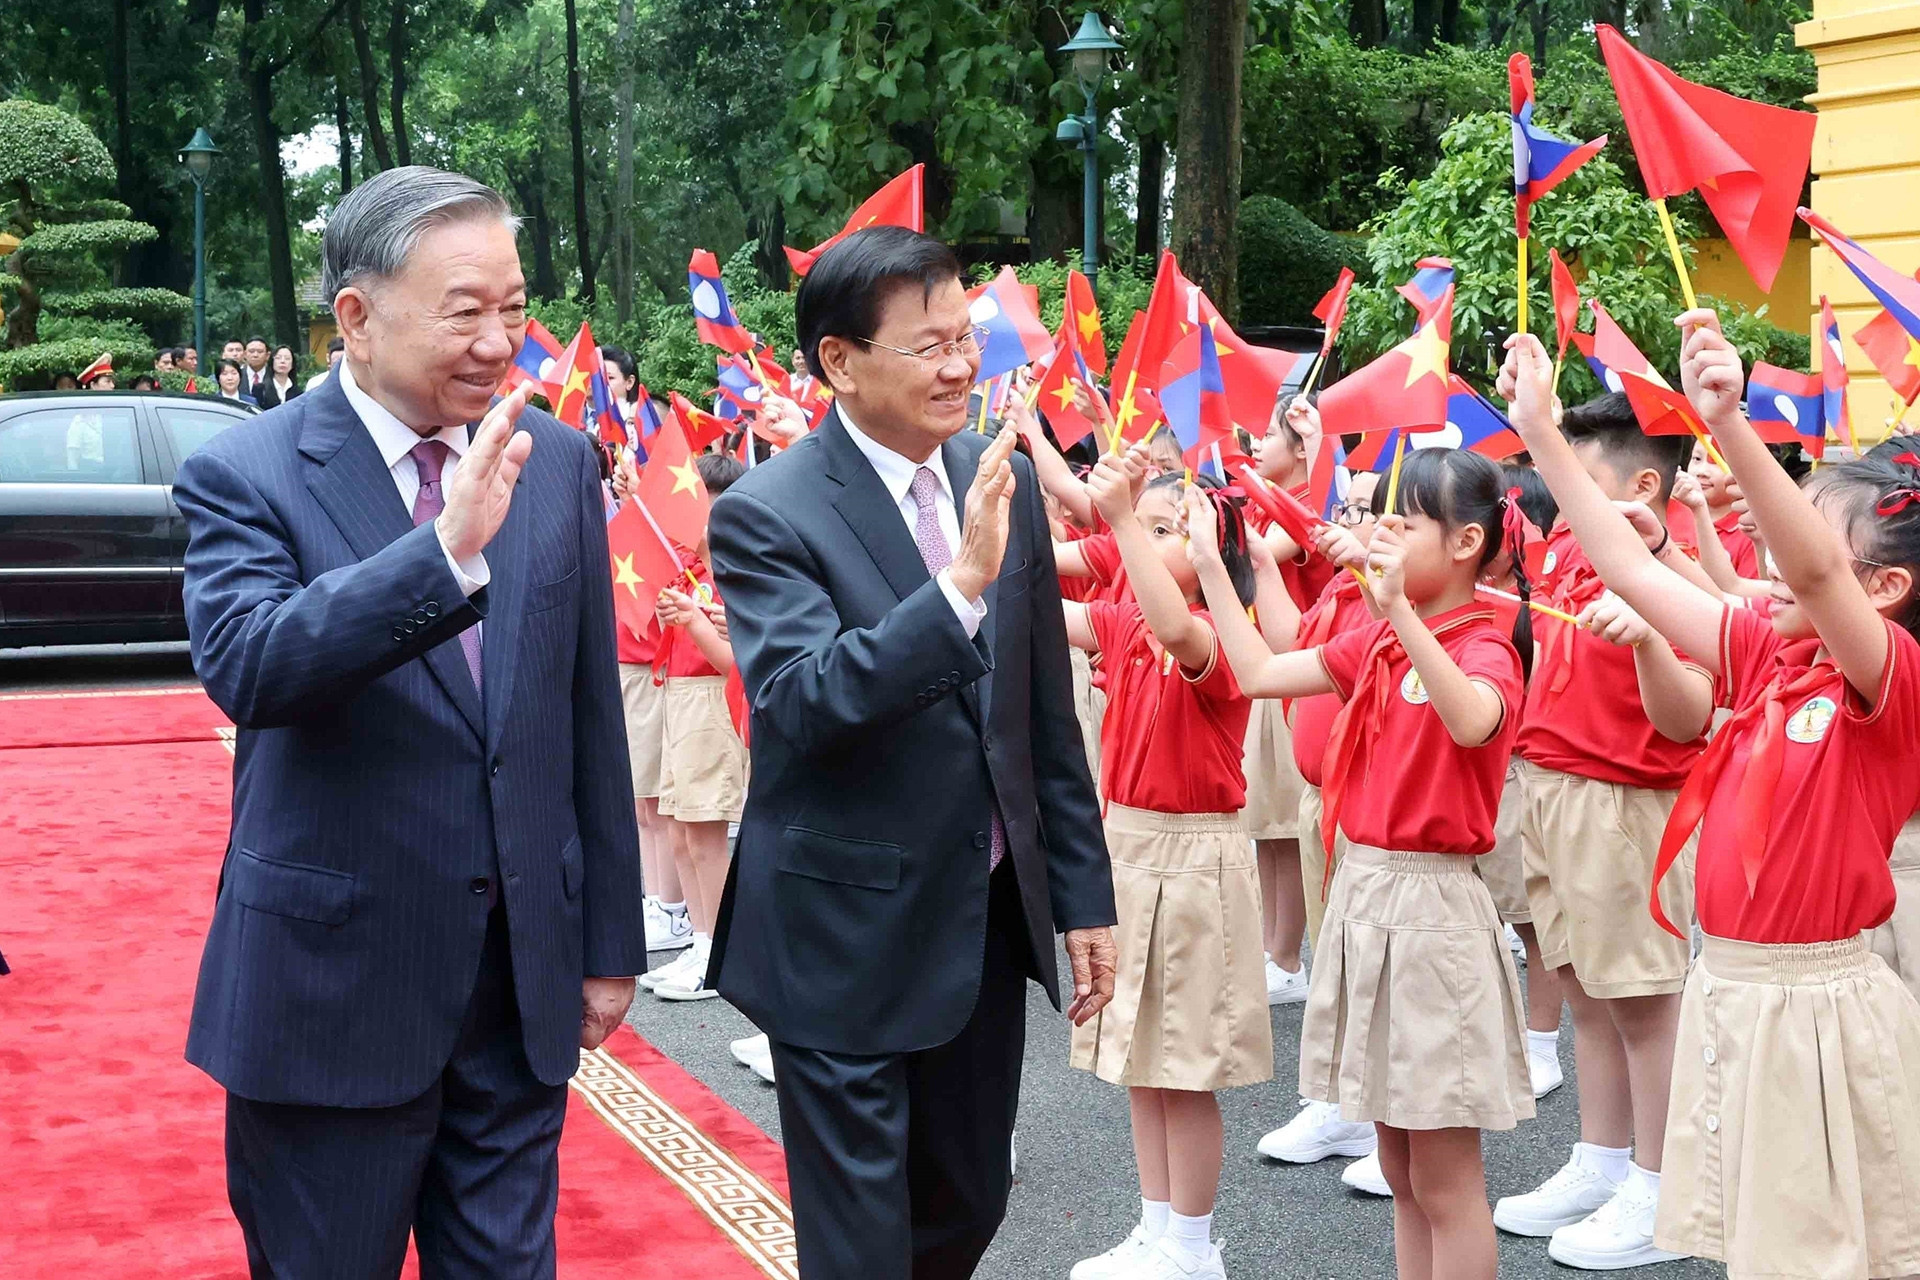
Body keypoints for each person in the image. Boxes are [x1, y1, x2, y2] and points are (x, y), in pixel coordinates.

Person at [169, 165, 648, 1278]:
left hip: (515, 991)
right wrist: (441, 554)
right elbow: (251, 665)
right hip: (332, 996)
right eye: (464, 311)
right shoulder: (248, 470)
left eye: (514, 308)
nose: (498, 342)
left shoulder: (554, 458)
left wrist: (608, 941)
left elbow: (585, 716)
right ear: (357, 315)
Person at [706, 226, 1118, 1279]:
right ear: (839, 361)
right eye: (926, 346)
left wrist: (1083, 896)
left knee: (969, 1200)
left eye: (963, 338)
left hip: (978, 921)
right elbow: (804, 700)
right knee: (860, 1242)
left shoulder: (992, 475)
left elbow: (1041, 718)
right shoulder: (768, 511)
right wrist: (958, 587)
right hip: (840, 932)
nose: (958, 366)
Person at [1501, 321, 1920, 1280]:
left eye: (1805, 532)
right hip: (1731, 990)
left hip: (1815, 1005)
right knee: (1760, 1247)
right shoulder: (1772, 654)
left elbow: (1813, 571)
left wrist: (1729, 423)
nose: (1766, 555)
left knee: (1825, 1252)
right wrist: (1541, 434)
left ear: (1888, 588)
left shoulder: (1889, 682)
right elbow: (1628, 568)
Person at [1194, 446, 1537, 1280]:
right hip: (1364, 894)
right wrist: (1212, 564)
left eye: (1404, 523)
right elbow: (1259, 672)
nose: (1382, 537)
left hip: (1433, 912)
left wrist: (1400, 616)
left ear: (1465, 543)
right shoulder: (1380, 639)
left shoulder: (1483, 645)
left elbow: (1473, 720)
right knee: (1400, 1169)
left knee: (1445, 1180)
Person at [1490, 394, 1713, 1271]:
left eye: (1579, 473)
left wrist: (1651, 634)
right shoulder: (1571, 548)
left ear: (1643, 487)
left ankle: (1663, 1190)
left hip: (1623, 799)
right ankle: (1604, 1160)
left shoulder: (1665, 567)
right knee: (1585, 991)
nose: (1562, 493)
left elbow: (1694, 713)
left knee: (1645, 1002)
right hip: (1554, 789)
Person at [1063, 464, 1269, 1280]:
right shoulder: (1122, 621)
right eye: (1142, 525)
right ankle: (1156, 1229)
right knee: (1139, 1063)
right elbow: (1041, 604)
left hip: (1192, 857)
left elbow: (1174, 626)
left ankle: (1192, 1244)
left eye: (1164, 529)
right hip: (1128, 847)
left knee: (1183, 1070)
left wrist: (1118, 522)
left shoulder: (1218, 633)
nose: (1144, 541)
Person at [642, 453, 749, 1004]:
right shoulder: (694, 570)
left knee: (705, 833)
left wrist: (690, 619)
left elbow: (732, 662)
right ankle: (702, 940)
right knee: (681, 831)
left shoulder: (734, 574)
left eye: (694, 504)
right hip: (681, 698)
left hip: (711, 703)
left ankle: (721, 954)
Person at [256, 344, 301, 409]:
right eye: (278, 358)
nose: (282, 361)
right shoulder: (260, 389)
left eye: (287, 358)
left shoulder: (298, 393)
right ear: (272, 362)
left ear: (292, 364)